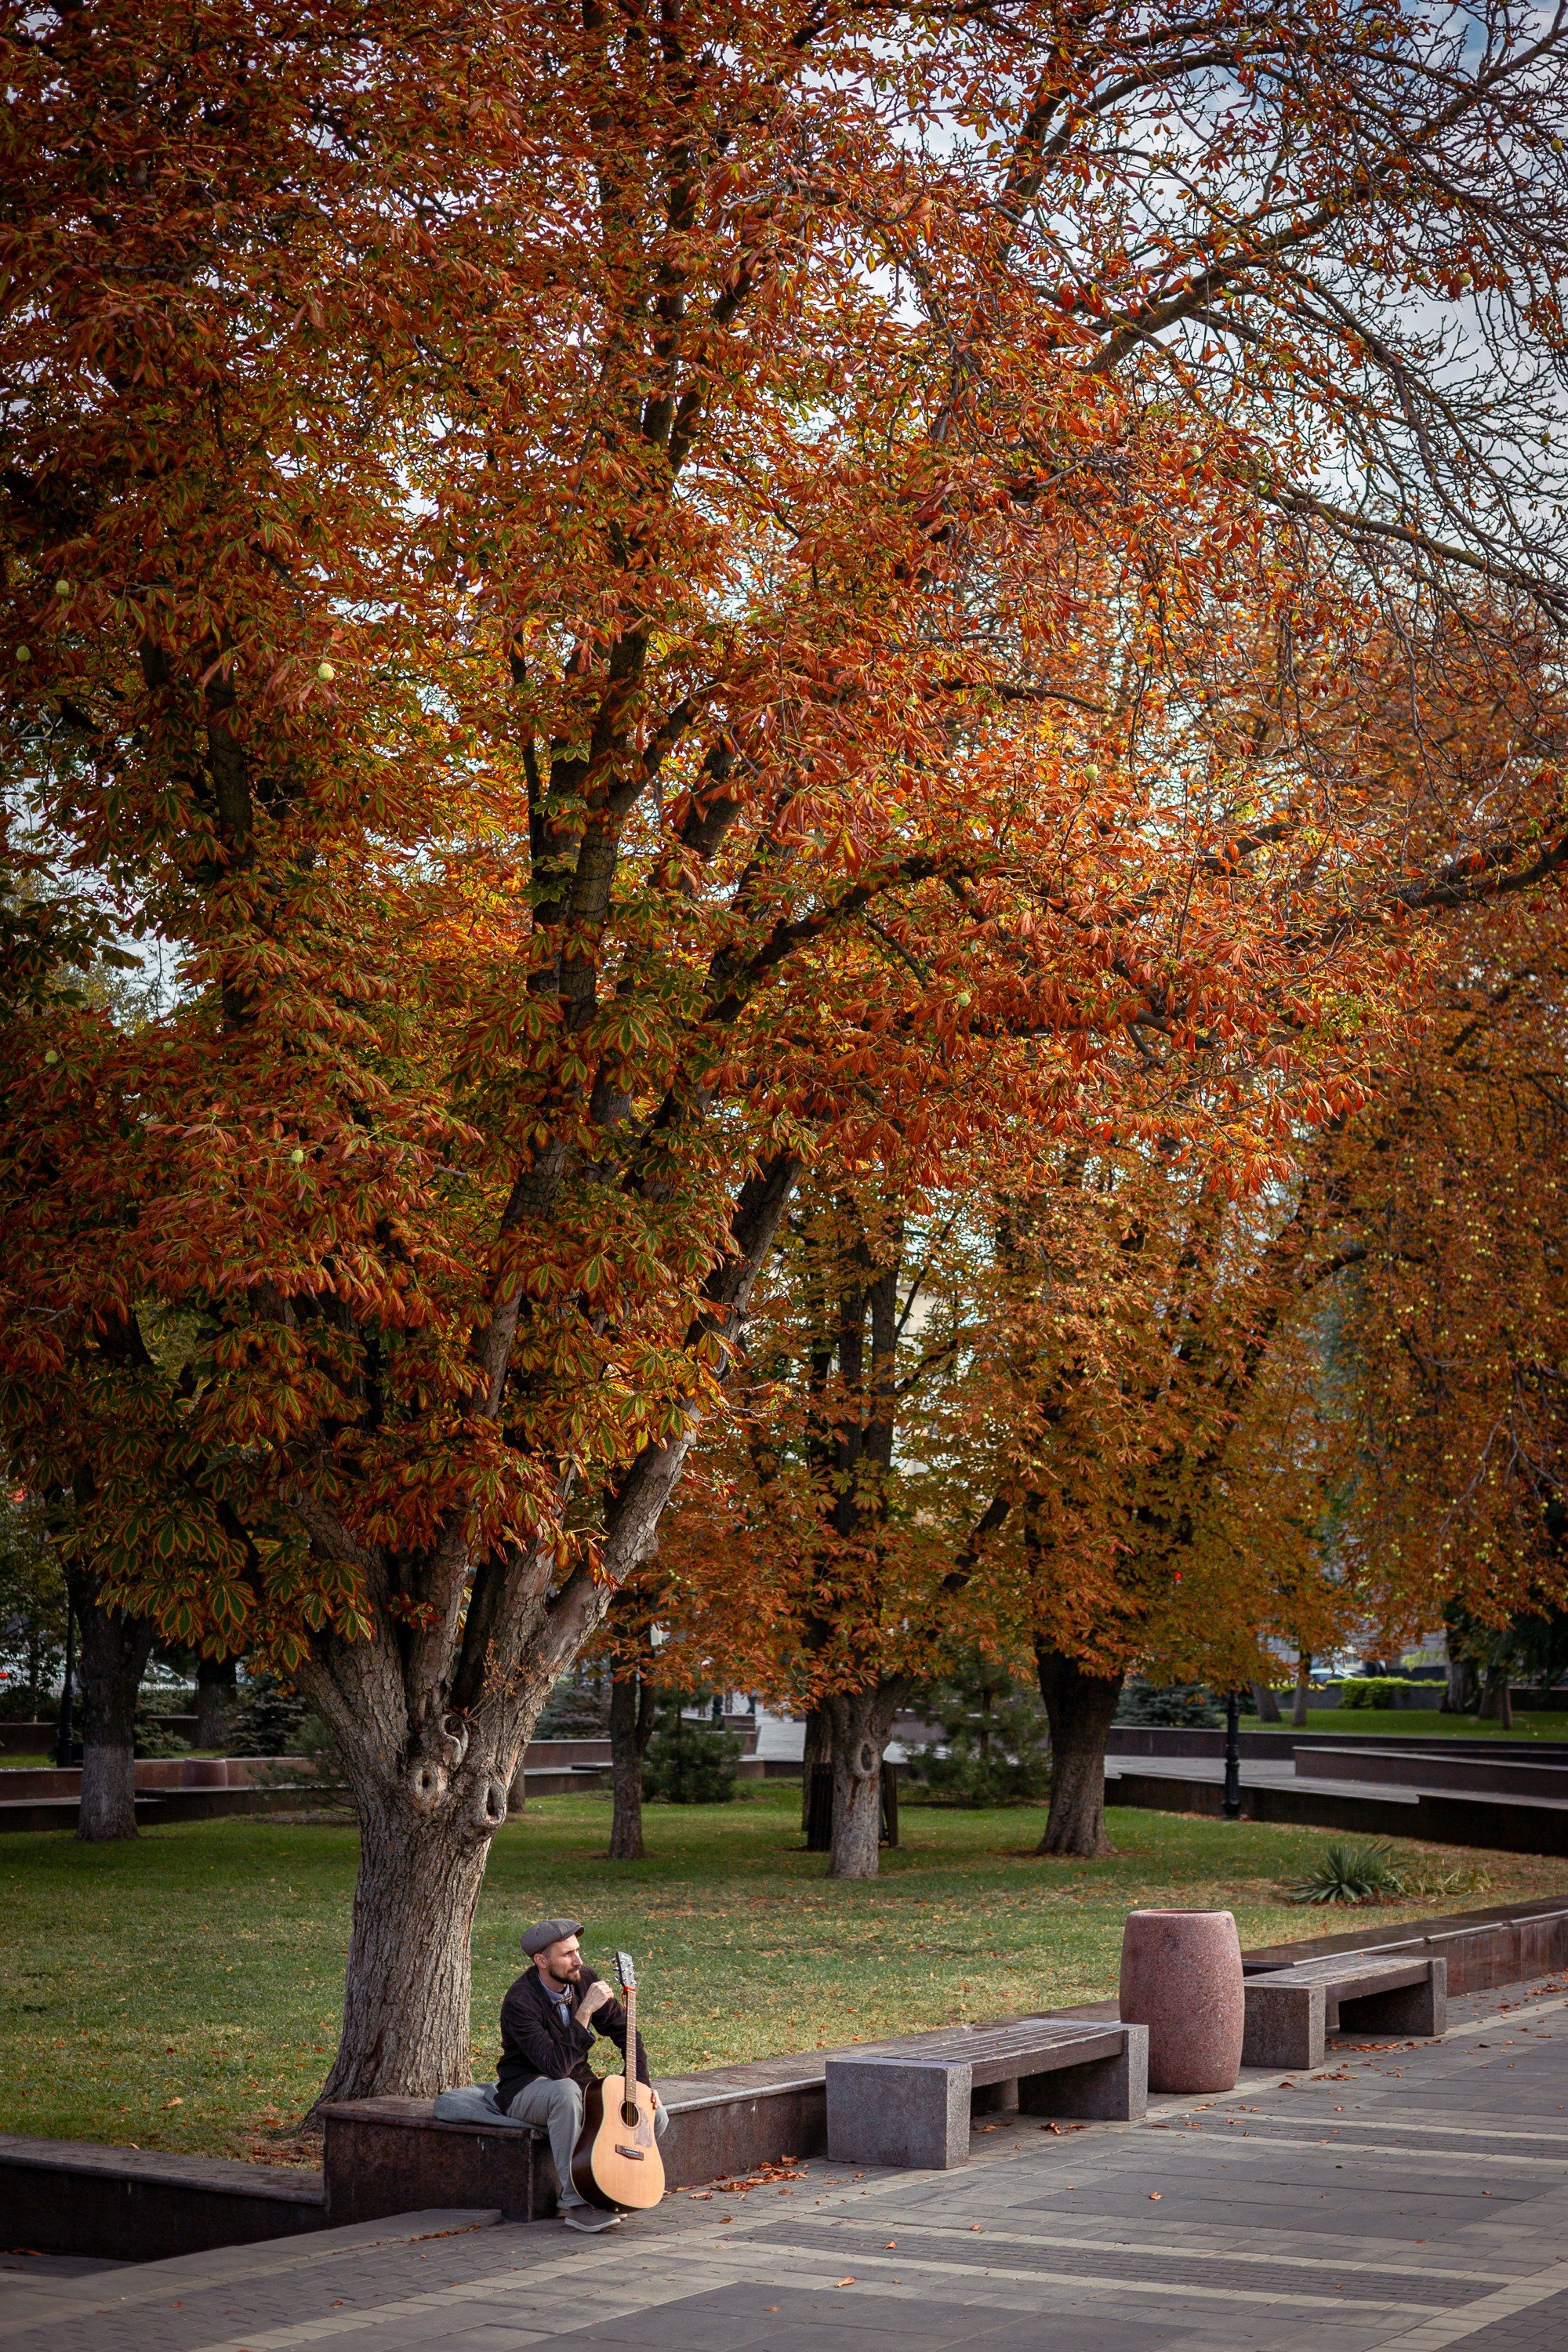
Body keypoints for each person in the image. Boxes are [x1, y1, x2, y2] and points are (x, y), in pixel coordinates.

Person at [498, 1915, 670, 2234]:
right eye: (567, 1954)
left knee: (655, 2117)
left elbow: (626, 2033)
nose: (578, 1961)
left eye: (578, 1951)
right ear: (541, 1961)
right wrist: (584, 2012)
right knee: (565, 2092)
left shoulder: (583, 1978)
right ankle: (575, 2203)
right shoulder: (520, 2002)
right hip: (526, 2087)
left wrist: (642, 2085)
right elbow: (554, 2067)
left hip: (578, 2084)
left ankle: (610, 2185)